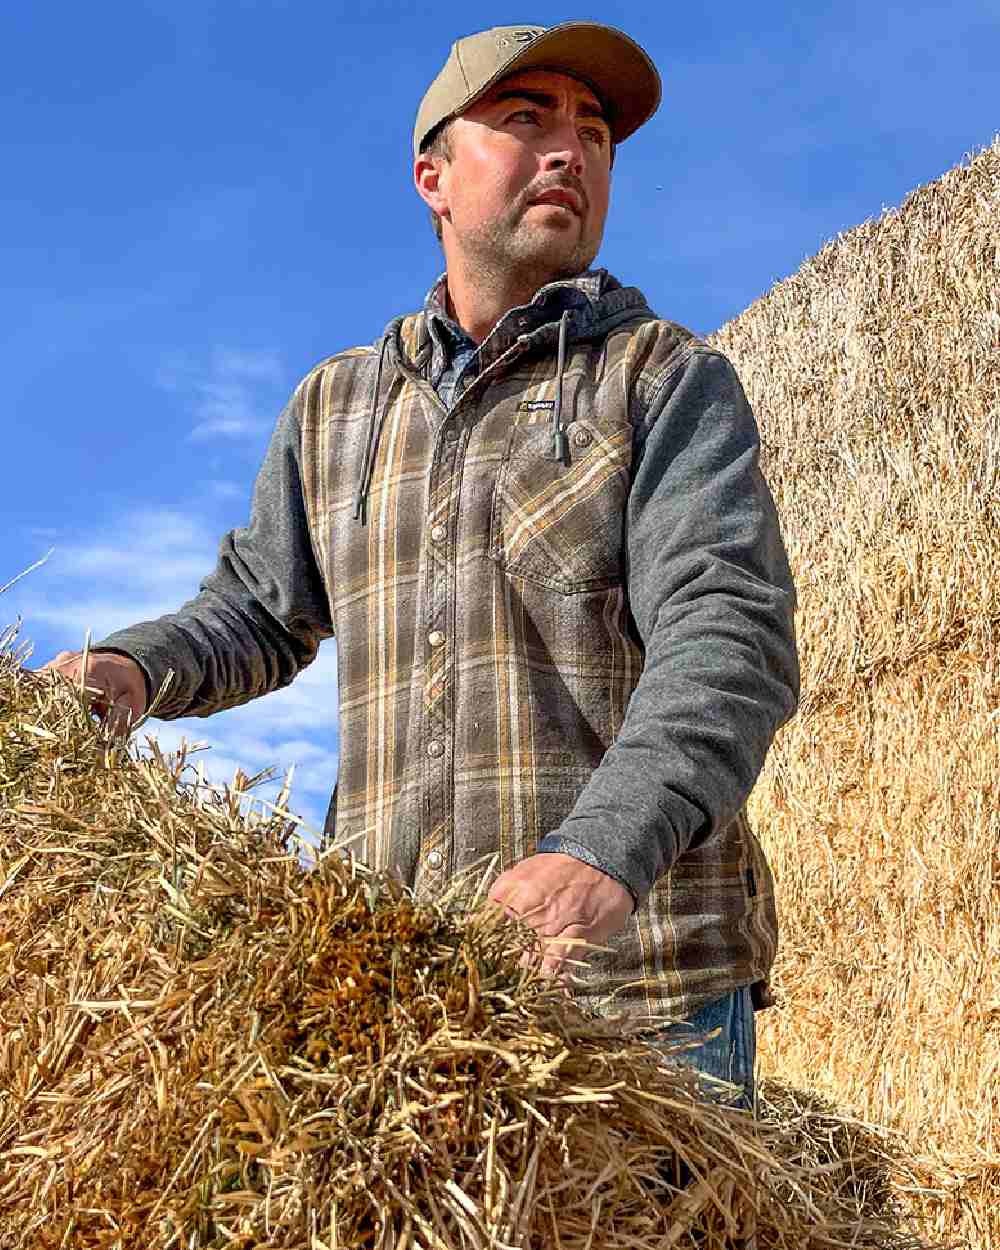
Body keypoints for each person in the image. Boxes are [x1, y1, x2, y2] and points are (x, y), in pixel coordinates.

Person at [39, 22, 799, 1113]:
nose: (570, 151)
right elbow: (258, 608)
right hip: (399, 989)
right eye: (526, 118)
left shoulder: (660, 379)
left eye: (594, 132)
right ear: (430, 177)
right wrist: (129, 668)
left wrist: (601, 853)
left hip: (639, 987)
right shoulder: (336, 407)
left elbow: (728, 639)